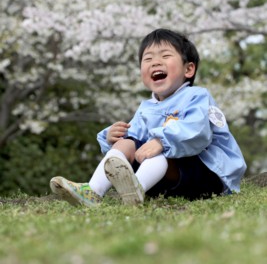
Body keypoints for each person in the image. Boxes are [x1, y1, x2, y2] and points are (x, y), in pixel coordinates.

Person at [50, 28, 247, 206]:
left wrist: (161, 141)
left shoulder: (196, 97)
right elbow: (134, 141)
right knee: (128, 143)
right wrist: (113, 137)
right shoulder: (147, 108)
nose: (155, 62)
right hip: (166, 180)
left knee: (156, 147)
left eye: (165, 55)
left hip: (205, 175)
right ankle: (93, 192)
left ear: (188, 69)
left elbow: (197, 132)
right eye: (148, 58)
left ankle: (136, 189)